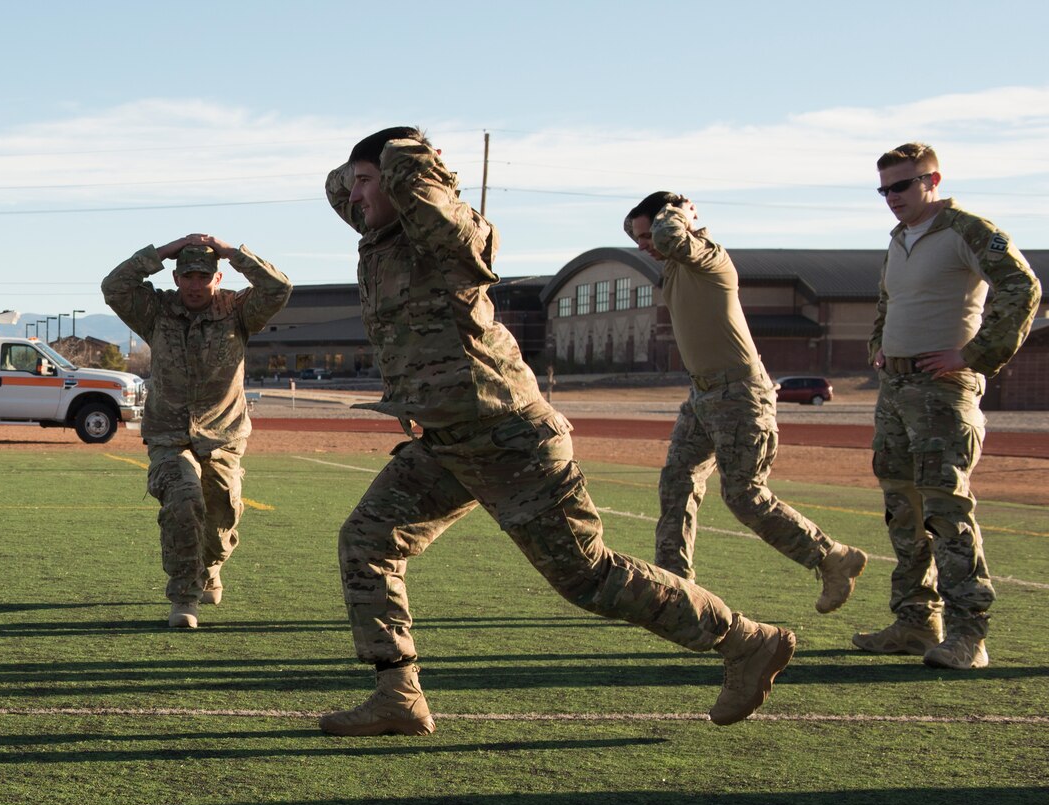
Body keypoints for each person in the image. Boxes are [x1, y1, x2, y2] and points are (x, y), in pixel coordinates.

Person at [319, 128, 795, 736]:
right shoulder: (381, 238)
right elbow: (340, 188)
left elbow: (423, 201)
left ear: (405, 179)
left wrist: (407, 155)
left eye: (367, 182)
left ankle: (744, 640)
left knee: (588, 577)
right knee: (366, 541)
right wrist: (368, 173)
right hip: (448, 441)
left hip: (506, 434)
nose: (354, 196)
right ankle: (398, 694)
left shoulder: (454, 234)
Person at [623, 192, 868, 610]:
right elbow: (666, 242)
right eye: (637, 240)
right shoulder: (675, 269)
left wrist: (676, 210)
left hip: (739, 395)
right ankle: (674, 585)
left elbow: (670, 235)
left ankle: (831, 558)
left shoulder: (707, 256)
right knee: (676, 483)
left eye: (645, 235)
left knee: (744, 495)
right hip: (702, 394)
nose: (644, 246)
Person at [855, 142, 1040, 669]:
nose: (892, 197)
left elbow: (1022, 286)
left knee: (945, 511)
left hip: (942, 393)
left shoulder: (968, 230)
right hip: (896, 389)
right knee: (903, 510)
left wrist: (975, 354)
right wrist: (878, 347)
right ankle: (916, 622)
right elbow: (888, 301)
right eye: (884, 188)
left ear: (932, 181)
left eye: (903, 185)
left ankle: (968, 636)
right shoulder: (898, 238)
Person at [102, 235, 292, 628]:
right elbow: (114, 287)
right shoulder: (156, 311)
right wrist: (166, 249)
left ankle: (211, 567)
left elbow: (279, 288)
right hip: (169, 435)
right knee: (183, 498)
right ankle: (184, 597)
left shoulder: (239, 311)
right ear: (175, 277)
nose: (194, 284)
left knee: (222, 513)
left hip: (223, 435)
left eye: (202, 276)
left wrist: (231, 251)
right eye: (186, 275)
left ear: (217, 277)